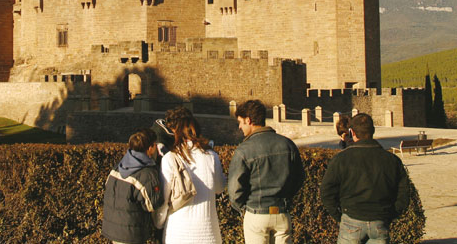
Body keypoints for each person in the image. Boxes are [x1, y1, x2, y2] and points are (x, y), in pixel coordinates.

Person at [320, 113, 410, 244]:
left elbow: (326, 192)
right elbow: (404, 193)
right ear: (373, 131)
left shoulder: (341, 159)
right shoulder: (392, 160)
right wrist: (389, 216)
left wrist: (340, 216)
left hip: (351, 219)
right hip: (380, 221)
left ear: (352, 132)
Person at [228, 99, 305, 244]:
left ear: (248, 120)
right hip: (282, 213)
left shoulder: (244, 150)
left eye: (240, 122)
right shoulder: (288, 144)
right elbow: (299, 178)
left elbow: (234, 189)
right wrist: (285, 199)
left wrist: (244, 207)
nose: (239, 127)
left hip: (256, 214)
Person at [159, 109, 226, 244]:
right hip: (208, 233)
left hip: (178, 233)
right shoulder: (212, 157)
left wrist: (158, 223)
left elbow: (163, 199)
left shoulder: (169, 158)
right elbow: (220, 187)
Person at [102, 128, 164, 244]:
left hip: (113, 229)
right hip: (132, 232)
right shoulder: (147, 173)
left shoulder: (119, 166)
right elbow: (152, 205)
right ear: (150, 148)